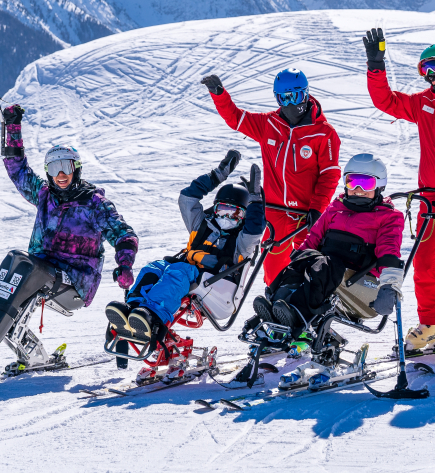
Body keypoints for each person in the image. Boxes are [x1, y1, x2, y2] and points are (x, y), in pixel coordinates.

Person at [0, 104, 138, 367]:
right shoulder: (44, 195)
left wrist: (125, 264)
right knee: (12, 262)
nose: (60, 175)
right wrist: (13, 127)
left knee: (25, 265)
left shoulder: (94, 203)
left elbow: (124, 235)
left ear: (77, 169)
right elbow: (18, 170)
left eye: (66, 167)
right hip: (42, 269)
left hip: (76, 279)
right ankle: (32, 355)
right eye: (53, 169)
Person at [105, 150, 265, 341]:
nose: (225, 218)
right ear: (215, 209)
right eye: (222, 210)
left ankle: (153, 318)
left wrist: (256, 199)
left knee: (179, 271)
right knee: (154, 268)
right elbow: (187, 197)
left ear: (244, 216)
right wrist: (218, 174)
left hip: (219, 286)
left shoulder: (241, 241)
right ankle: (133, 310)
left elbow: (255, 230)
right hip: (195, 276)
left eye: (234, 214)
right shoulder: (203, 224)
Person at [201, 69, 341, 285]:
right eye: (282, 98)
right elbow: (236, 118)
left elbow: (329, 176)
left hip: (307, 215)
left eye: (295, 96)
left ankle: (310, 311)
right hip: (276, 214)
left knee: (311, 267)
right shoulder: (269, 124)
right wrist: (219, 95)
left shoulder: (323, 133)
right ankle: (275, 308)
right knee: (274, 271)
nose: (289, 103)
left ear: (305, 94)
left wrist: (317, 208)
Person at [252, 153, 404, 339]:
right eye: (352, 181)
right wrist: (298, 261)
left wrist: (389, 286)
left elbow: (389, 251)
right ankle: (275, 308)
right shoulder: (336, 207)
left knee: (323, 266)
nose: (357, 189)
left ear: (380, 186)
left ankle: (297, 314)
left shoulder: (388, 216)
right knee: (302, 261)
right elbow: (313, 238)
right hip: (327, 271)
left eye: (366, 184)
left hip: (362, 284)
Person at [364, 29, 435, 351]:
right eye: (424, 69)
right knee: (426, 264)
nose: (430, 75)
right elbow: (385, 100)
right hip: (433, 198)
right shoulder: (424, 103)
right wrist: (376, 65)